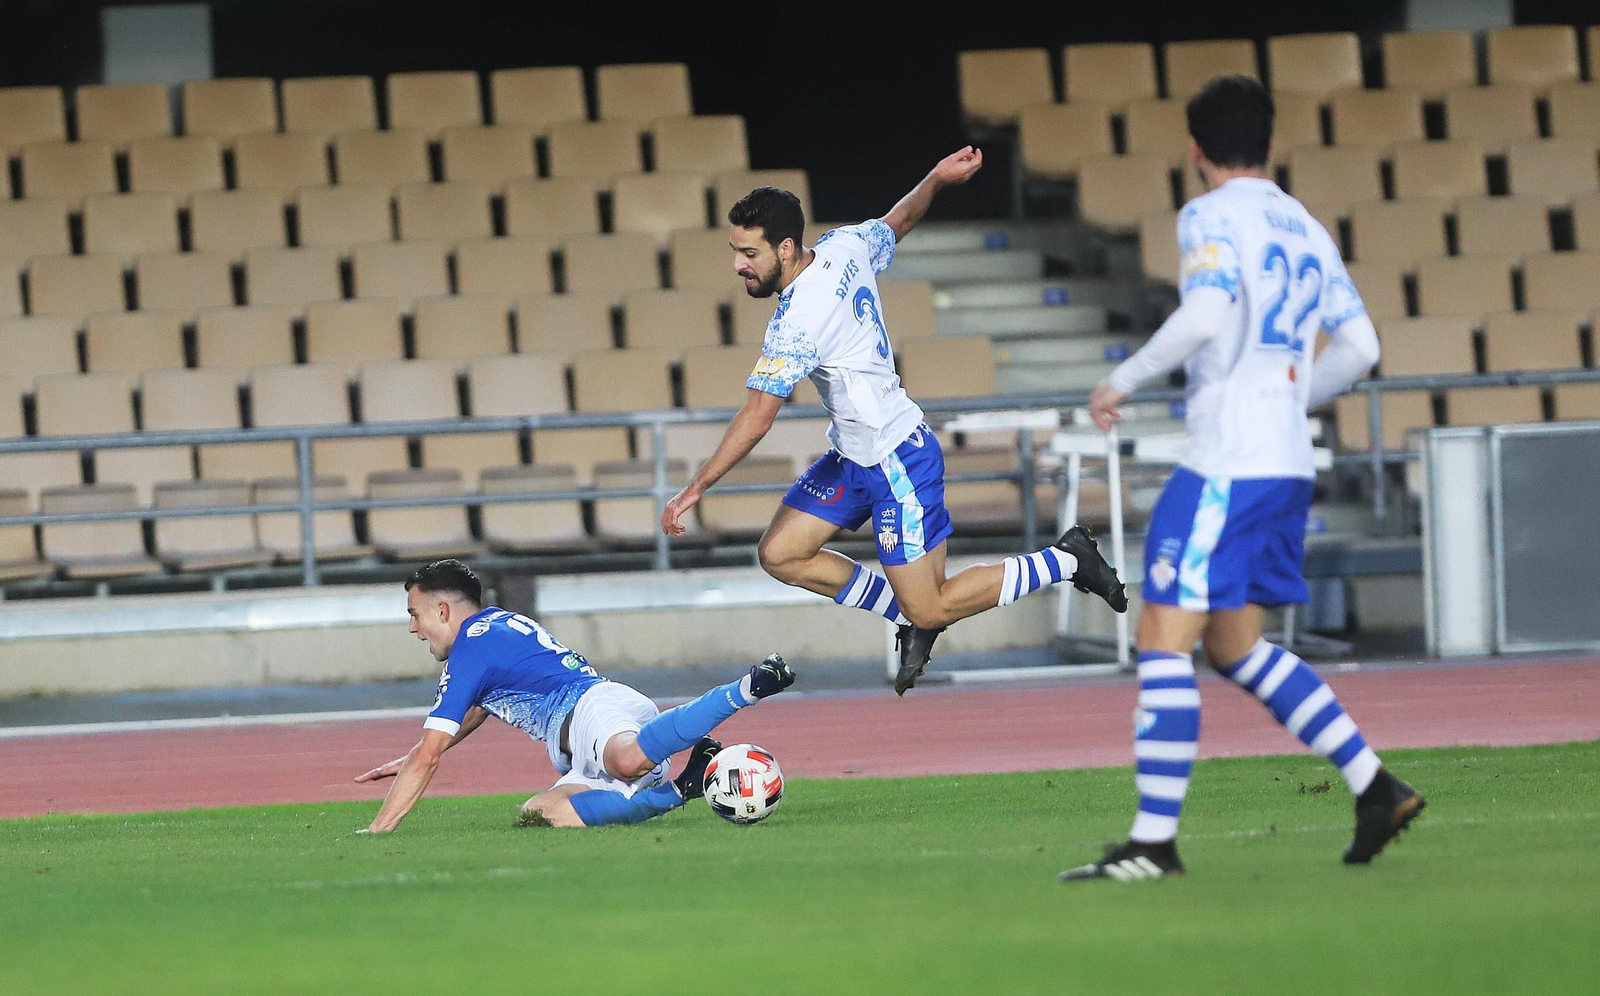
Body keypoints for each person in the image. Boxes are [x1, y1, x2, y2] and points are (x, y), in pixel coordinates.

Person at [1059, 76, 1423, 883]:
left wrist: (1124, 379)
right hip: (1287, 460)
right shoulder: (1306, 226)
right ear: (1271, 144)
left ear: (1194, 151)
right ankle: (1375, 786)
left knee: (1160, 638)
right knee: (1235, 646)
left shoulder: (1211, 216)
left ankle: (1153, 844)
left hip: (1228, 461)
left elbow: (1206, 314)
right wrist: (1290, 395)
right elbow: (1361, 349)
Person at [659, 148, 1128, 695]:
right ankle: (905, 616)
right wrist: (935, 177)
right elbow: (898, 221)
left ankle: (1066, 560)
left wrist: (695, 488)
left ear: (785, 249)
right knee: (781, 554)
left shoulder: (798, 321)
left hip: (895, 456)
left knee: (932, 607)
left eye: (747, 252)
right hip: (855, 454)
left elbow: (757, 417)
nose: (738, 264)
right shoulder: (842, 245)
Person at [354, 559, 796, 832]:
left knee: (626, 760)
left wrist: (378, 829)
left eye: (414, 614)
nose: (413, 627)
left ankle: (748, 687)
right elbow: (477, 707)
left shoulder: (471, 648)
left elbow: (432, 752)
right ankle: (685, 785)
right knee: (541, 813)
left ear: (442, 610)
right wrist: (415, 755)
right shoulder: (496, 627)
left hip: (592, 712)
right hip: (588, 735)